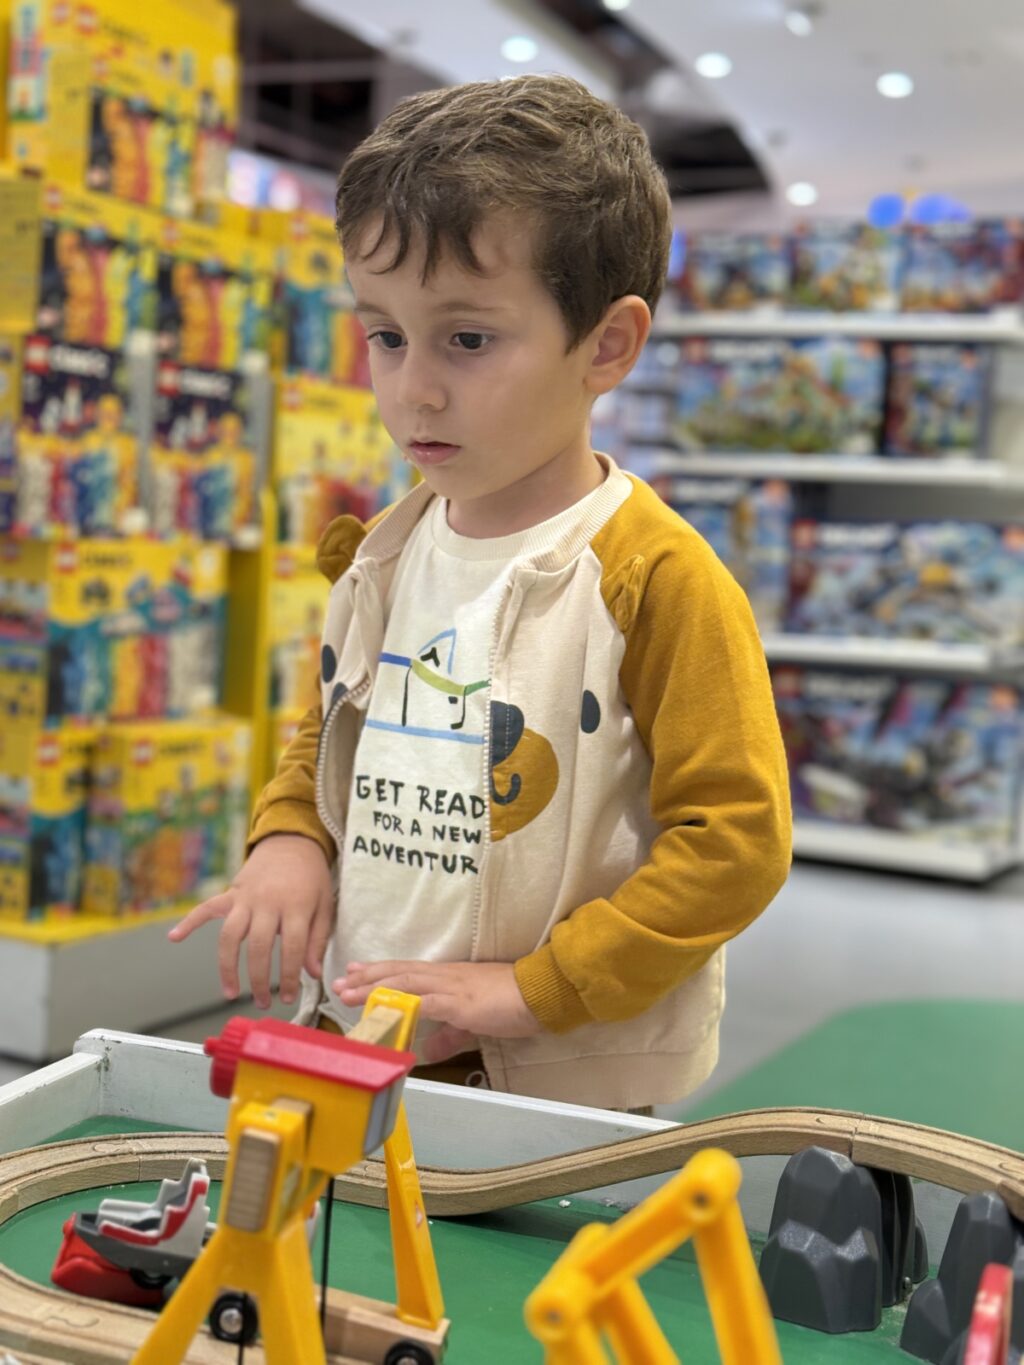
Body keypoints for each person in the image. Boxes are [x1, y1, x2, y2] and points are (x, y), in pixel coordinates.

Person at [170, 74, 792, 1111]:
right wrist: (290, 836)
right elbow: (338, 723)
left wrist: (536, 989)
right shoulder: (386, 548)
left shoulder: (654, 578)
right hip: (360, 1037)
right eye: (386, 335)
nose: (412, 388)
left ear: (607, 344)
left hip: (549, 1081)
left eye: (466, 340)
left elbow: (735, 842)